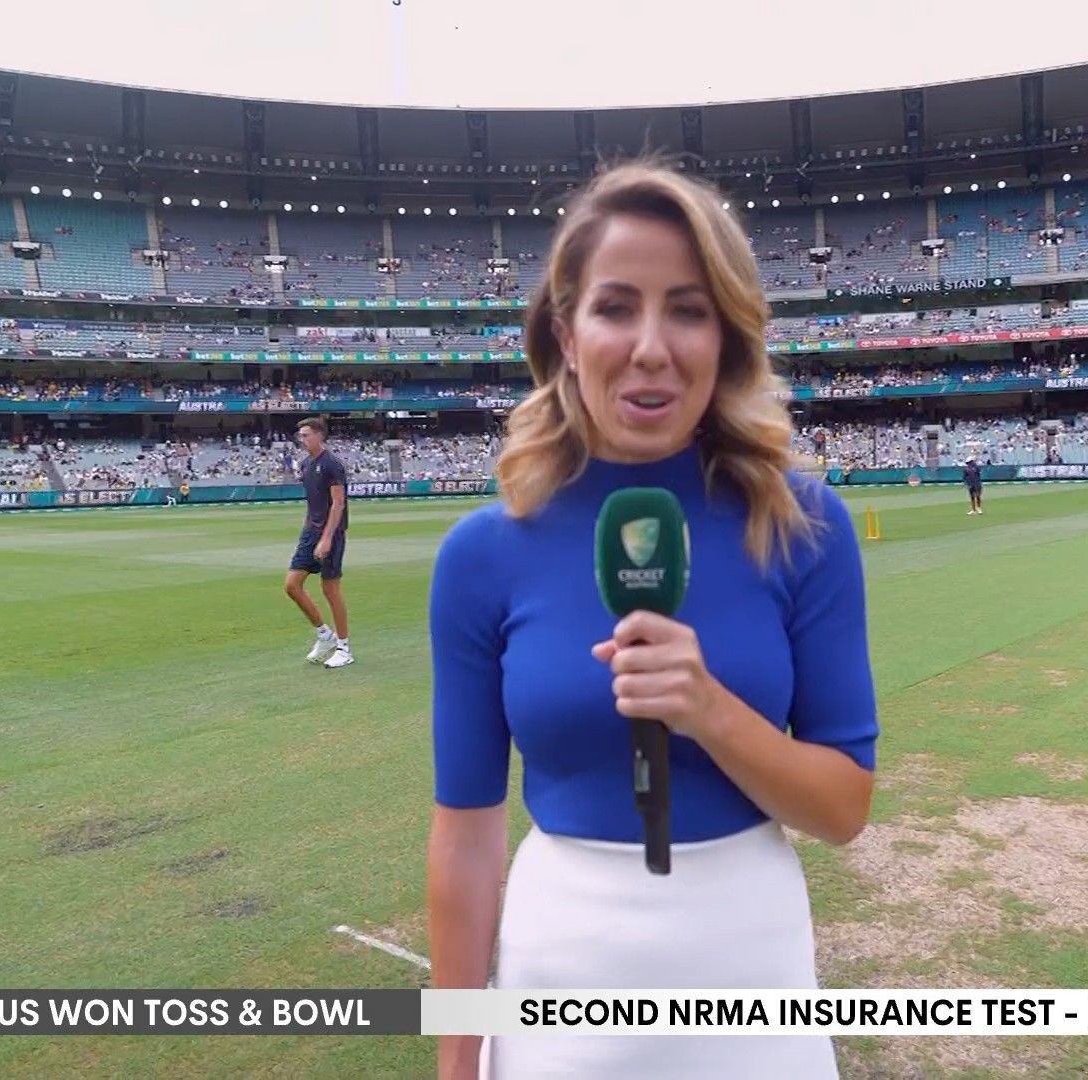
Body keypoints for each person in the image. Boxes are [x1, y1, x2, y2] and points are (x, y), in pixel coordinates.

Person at [427, 161, 878, 1080]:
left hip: (751, 979)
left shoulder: (803, 527)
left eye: (687, 310)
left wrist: (710, 710)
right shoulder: (482, 555)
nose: (650, 347)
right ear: (565, 332)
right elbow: (466, 839)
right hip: (560, 980)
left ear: (726, 337)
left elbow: (842, 808)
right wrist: (457, 1064)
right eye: (615, 307)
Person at [285, 416, 353, 668]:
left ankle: (344, 648)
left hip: (331, 533)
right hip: (310, 532)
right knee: (292, 585)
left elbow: (338, 503)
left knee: (330, 589)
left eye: (306, 435)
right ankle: (324, 635)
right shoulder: (305, 465)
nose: (302, 440)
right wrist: (309, 531)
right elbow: (312, 503)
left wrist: (326, 538)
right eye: (300, 436)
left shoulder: (332, 464)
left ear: (319, 435)